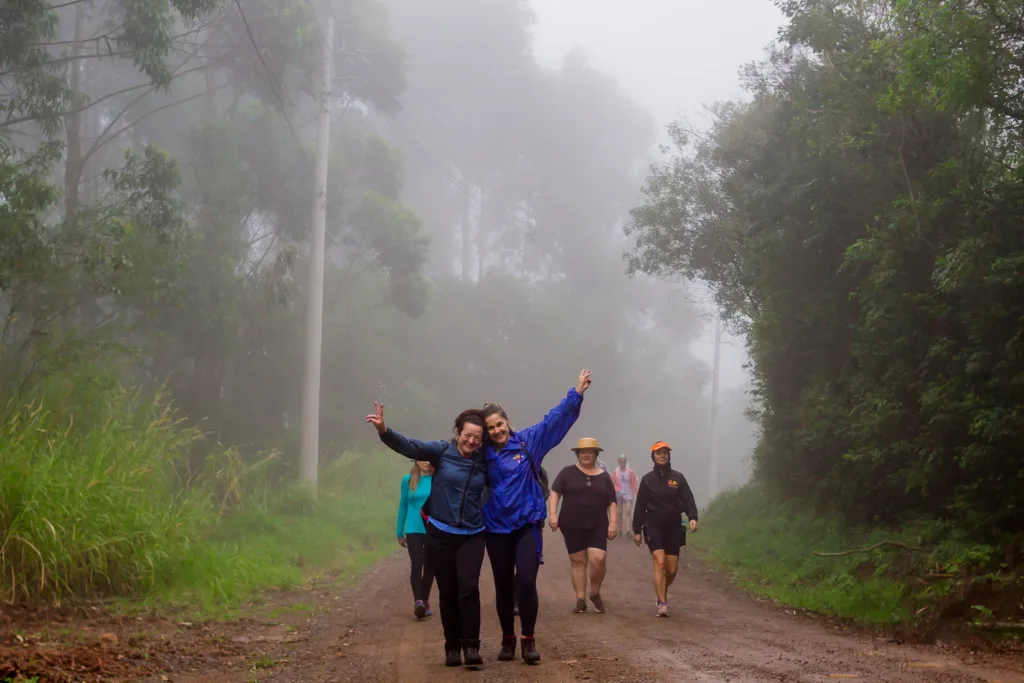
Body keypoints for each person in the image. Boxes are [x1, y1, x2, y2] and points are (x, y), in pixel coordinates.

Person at [481, 369, 592, 664]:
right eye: (490, 428)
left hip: (527, 525)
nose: (496, 431)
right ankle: (508, 639)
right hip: (495, 529)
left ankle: (528, 641)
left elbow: (553, 421)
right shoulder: (483, 453)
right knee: (503, 585)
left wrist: (576, 393)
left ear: (507, 421)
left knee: (527, 581)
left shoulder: (529, 442)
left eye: (499, 424)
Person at [367, 403, 489, 668]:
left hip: (473, 534)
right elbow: (410, 446)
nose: (471, 441)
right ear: (457, 432)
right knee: (448, 591)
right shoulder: (441, 451)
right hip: (441, 534)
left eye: (477, 437)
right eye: (467, 435)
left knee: (468, 589)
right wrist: (384, 430)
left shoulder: (485, 459)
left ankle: (471, 646)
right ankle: (452, 648)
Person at [548, 438, 617, 614]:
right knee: (578, 562)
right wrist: (553, 514)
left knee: (598, 559)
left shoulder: (604, 476)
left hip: (598, 525)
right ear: (577, 454)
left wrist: (614, 523)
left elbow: (612, 502)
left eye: (590, 452)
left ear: (596, 454)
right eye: (583, 452)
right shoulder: (567, 472)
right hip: (571, 524)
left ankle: (594, 592)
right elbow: (555, 492)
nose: (586, 455)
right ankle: (580, 599)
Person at [632, 441, 699, 618]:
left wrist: (692, 517)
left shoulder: (678, 478)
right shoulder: (647, 480)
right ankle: (662, 602)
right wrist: (637, 529)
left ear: (669, 455)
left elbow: (688, 499)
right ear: (653, 456)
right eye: (658, 453)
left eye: (664, 453)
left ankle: (660, 590)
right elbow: (640, 505)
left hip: (673, 526)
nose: (662, 456)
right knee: (659, 562)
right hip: (653, 524)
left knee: (671, 570)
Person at [397, 460, 435, 619]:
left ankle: (425, 599)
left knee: (430, 566)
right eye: (421, 459)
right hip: (413, 528)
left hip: (432, 528)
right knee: (416, 564)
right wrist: (399, 531)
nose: (425, 462)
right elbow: (403, 505)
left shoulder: (436, 479)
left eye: (428, 459)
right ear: (415, 460)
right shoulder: (408, 479)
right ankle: (418, 601)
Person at [612, 455, 639, 540]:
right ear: (618, 462)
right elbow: (612, 483)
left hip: (628, 494)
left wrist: (637, 493)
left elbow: (634, 483)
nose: (622, 463)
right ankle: (619, 530)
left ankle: (628, 530)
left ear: (625, 462)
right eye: (621, 461)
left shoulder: (630, 472)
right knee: (619, 513)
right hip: (618, 493)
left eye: (623, 461)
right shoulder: (615, 472)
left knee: (628, 511)